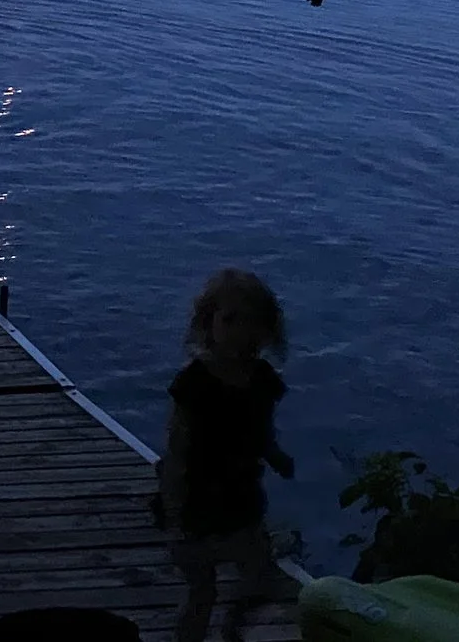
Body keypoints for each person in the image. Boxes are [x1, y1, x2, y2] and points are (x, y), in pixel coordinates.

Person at [158, 269, 295, 642]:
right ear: (208, 322)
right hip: (197, 502)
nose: (240, 332)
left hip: (241, 497)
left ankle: (233, 633)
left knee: (255, 579)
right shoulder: (195, 384)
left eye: (252, 322)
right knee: (202, 591)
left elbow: (261, 427)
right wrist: (174, 509)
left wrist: (275, 453)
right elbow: (177, 450)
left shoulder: (262, 379)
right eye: (230, 320)